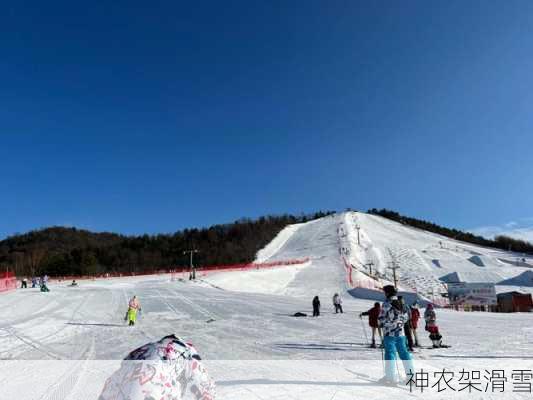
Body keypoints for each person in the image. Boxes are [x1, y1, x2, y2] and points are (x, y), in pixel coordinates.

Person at [98, 334, 215, 400]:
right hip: (154, 392)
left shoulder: (144, 349)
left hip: (124, 391)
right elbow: (204, 383)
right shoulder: (188, 351)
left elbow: (121, 370)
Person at [378, 285, 414, 385]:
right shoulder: (402, 303)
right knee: (405, 354)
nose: (384, 293)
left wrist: (382, 323)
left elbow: (381, 319)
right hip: (401, 333)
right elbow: (407, 317)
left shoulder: (387, 304)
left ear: (388, 293)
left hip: (390, 333)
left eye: (384, 292)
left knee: (390, 354)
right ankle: (411, 377)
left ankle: (390, 377)